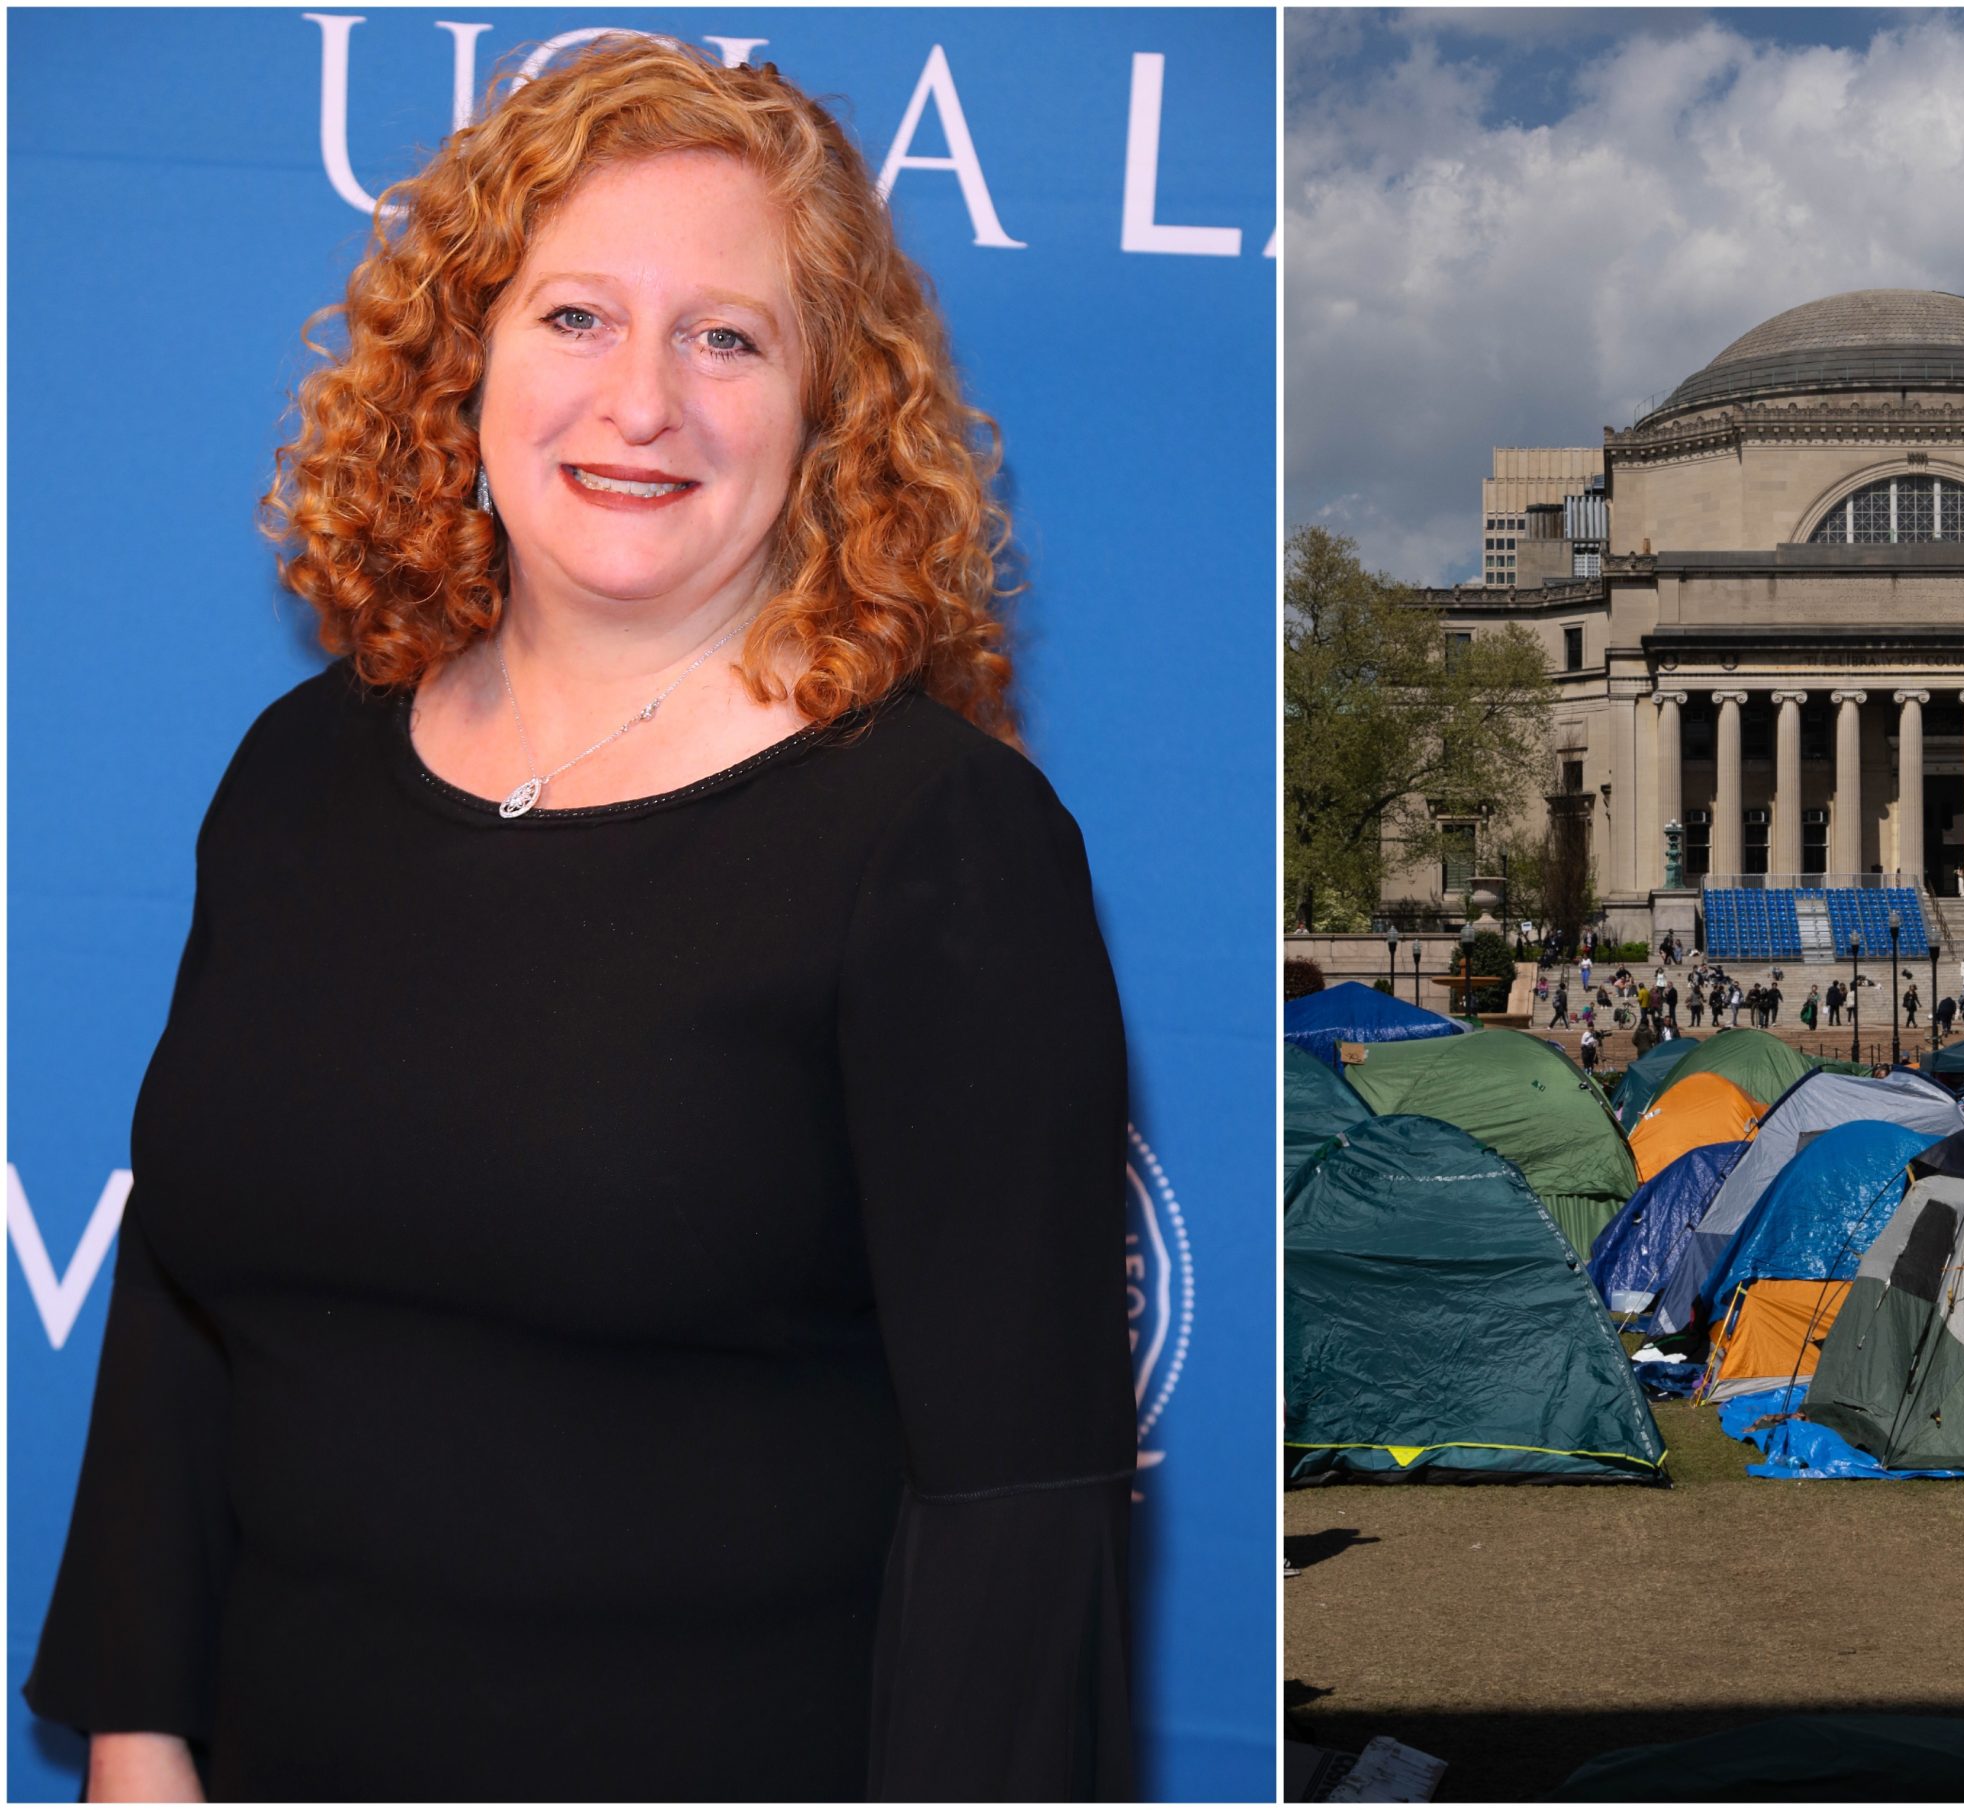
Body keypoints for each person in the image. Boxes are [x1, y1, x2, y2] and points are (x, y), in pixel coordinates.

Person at [23, 43, 1132, 1803]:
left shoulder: (939, 841)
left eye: (728, 336)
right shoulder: (303, 774)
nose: (641, 403)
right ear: (462, 364)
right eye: (576, 318)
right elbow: (180, 1307)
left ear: (831, 417)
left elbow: (1016, 1502)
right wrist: (140, 1743)